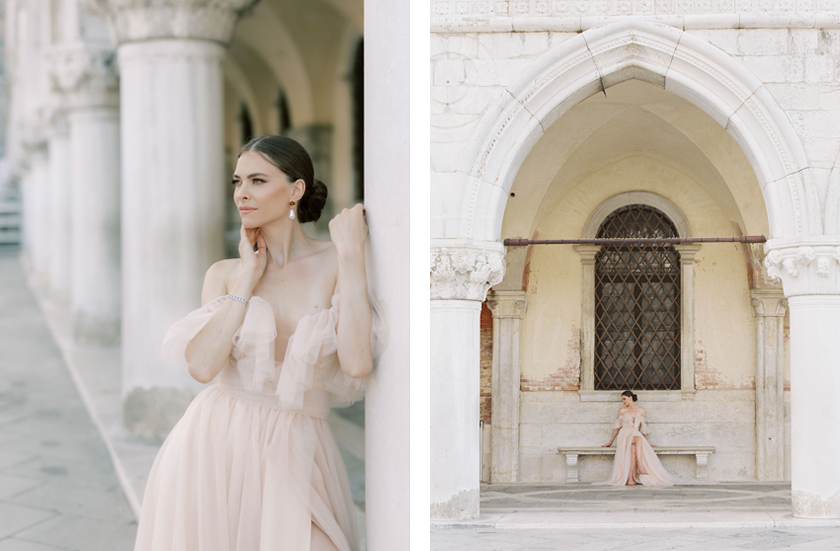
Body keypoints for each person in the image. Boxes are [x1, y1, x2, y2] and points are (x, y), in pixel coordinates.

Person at [133, 135, 376, 551]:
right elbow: (203, 368)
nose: (241, 194)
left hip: (299, 446)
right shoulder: (225, 274)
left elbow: (356, 362)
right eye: (237, 181)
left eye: (257, 180)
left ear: (295, 191)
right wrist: (247, 279)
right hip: (215, 443)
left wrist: (352, 256)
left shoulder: (336, 263)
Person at [598, 390, 677, 486]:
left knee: (633, 449)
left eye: (624, 399)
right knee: (638, 440)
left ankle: (630, 478)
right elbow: (617, 427)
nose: (623, 401)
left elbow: (643, 428)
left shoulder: (641, 410)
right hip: (625, 435)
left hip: (636, 434)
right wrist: (610, 441)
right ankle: (640, 464)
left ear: (630, 398)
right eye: (622, 400)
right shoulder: (622, 411)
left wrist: (647, 441)